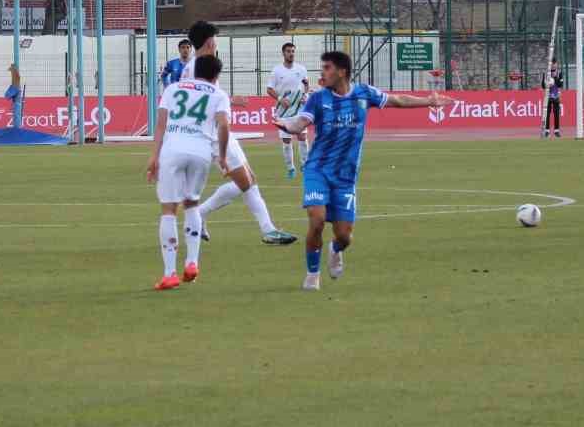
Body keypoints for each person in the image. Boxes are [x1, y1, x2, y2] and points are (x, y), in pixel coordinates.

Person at [277, 51, 451, 291]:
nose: (322, 73)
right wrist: (286, 124)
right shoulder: (318, 99)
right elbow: (300, 123)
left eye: (327, 68)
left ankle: (336, 250)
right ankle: (312, 274)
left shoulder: (363, 93)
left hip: (346, 177)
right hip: (317, 170)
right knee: (316, 220)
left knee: (344, 236)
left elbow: (397, 100)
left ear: (342, 72)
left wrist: (429, 101)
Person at [184, 20, 296, 245]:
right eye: (214, 38)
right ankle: (267, 230)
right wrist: (229, 101)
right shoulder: (197, 66)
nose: (216, 42)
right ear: (209, 41)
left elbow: (204, 96)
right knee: (247, 182)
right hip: (213, 134)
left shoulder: (199, 64)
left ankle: (202, 214)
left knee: (248, 179)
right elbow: (199, 102)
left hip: (215, 132)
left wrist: (228, 101)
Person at [146, 53, 231, 291]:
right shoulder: (218, 94)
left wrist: (154, 156)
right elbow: (224, 124)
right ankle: (192, 262)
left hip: (172, 151)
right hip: (201, 152)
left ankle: (169, 273)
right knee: (192, 203)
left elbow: (161, 124)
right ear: (216, 76)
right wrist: (222, 157)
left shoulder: (173, 88)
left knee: (169, 210)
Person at [266, 41, 311, 178]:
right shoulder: (277, 71)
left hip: (299, 110)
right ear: (283, 53)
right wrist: (280, 99)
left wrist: (306, 95)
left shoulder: (301, 69)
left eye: (293, 51)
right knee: (287, 141)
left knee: (302, 136)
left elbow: (306, 84)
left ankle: (305, 165)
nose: (291, 54)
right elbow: (269, 89)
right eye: (288, 51)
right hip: (283, 111)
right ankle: (290, 168)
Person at [541, 61, 564, 138]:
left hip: (556, 96)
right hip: (548, 96)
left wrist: (555, 78)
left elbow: (560, 84)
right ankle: (547, 131)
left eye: (555, 64)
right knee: (547, 114)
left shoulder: (559, 73)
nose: (553, 66)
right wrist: (547, 83)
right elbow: (543, 86)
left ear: (556, 64)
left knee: (556, 113)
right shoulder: (546, 73)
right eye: (552, 64)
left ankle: (556, 131)